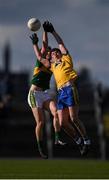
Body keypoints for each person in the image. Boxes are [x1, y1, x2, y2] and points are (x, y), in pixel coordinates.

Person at [30, 21, 91, 155]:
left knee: (73, 118)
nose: (53, 54)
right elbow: (40, 56)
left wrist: (52, 31)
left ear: (59, 54)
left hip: (70, 89)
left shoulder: (66, 59)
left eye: (55, 52)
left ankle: (86, 141)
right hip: (61, 93)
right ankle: (79, 142)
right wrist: (35, 44)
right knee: (63, 123)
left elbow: (61, 43)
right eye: (52, 54)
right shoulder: (52, 66)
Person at [28, 23, 67, 159]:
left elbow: (47, 48)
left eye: (50, 53)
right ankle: (40, 147)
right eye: (48, 52)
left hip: (44, 94)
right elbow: (43, 47)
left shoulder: (52, 66)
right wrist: (44, 33)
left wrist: (46, 32)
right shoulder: (42, 62)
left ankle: (57, 138)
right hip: (34, 94)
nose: (48, 53)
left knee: (56, 112)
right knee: (41, 122)